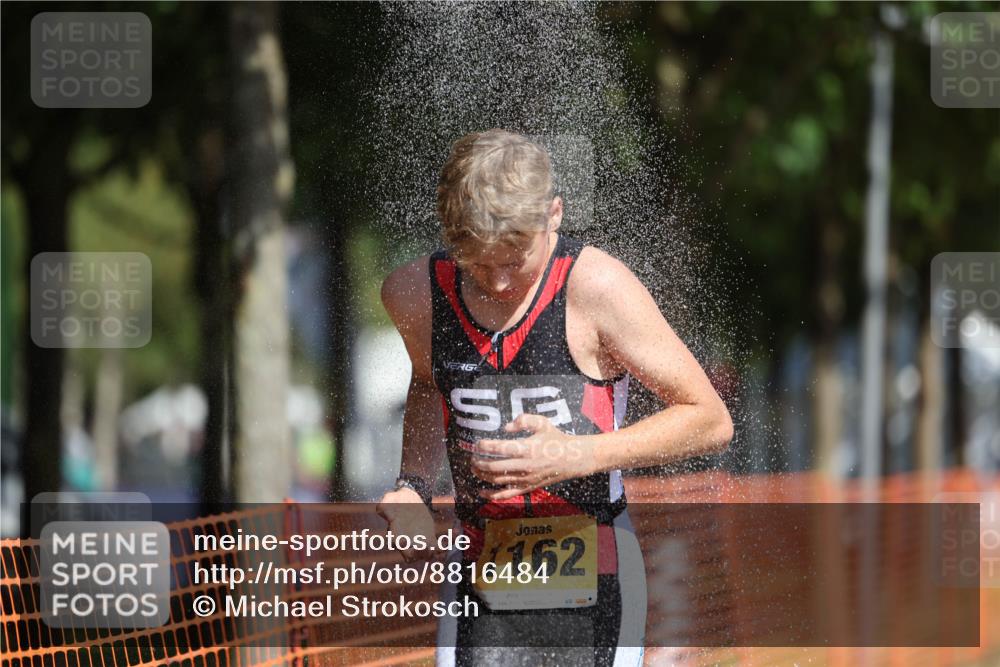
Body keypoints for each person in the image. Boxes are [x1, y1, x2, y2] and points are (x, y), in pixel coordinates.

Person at [376, 129, 733, 667]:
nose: (497, 283)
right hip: (478, 572)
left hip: (595, 571)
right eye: (477, 261)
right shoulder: (414, 295)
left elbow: (708, 419)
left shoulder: (597, 289)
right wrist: (414, 485)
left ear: (554, 216)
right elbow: (429, 383)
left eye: (514, 259)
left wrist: (580, 454)